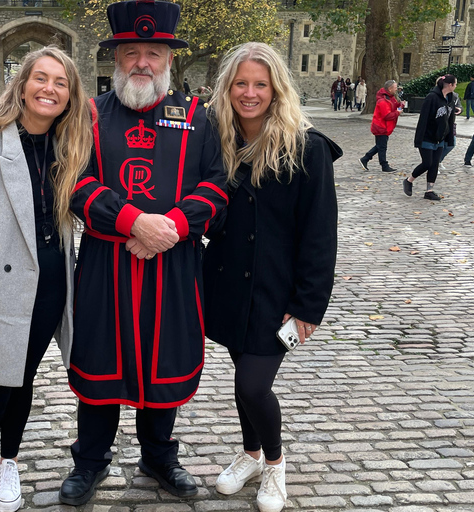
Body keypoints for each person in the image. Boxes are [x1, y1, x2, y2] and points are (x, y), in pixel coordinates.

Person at [58, 0, 228, 506]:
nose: (142, 63)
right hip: (106, 266)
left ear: (169, 60)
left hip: (172, 265)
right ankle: (89, 461)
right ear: (116, 58)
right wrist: (132, 220)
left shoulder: (200, 118)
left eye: (153, 53)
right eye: (132, 52)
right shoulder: (86, 114)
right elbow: (72, 181)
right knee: (99, 366)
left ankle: (158, 455)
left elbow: (218, 187)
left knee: (164, 363)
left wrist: (171, 225)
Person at [0, 46, 92, 512]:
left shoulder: (71, 146)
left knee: (21, 378)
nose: (49, 89)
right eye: (41, 79)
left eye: (60, 82)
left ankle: (9, 457)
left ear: (69, 96)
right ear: (22, 85)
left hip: (49, 285)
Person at [203, 41, 339, 512]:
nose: (250, 92)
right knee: (244, 375)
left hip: (277, 293)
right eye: (241, 83)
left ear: (276, 88)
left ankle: (275, 465)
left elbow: (320, 233)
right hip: (226, 286)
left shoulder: (307, 147)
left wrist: (308, 305)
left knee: (252, 386)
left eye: (260, 84)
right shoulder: (215, 139)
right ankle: (250, 455)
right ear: (227, 88)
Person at [403, 75, 457, 201]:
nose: (455, 86)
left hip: (440, 137)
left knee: (434, 165)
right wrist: (419, 139)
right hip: (427, 136)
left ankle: (429, 190)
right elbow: (423, 119)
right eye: (455, 84)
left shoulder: (451, 98)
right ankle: (409, 180)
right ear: (449, 85)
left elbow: (449, 119)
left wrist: (449, 137)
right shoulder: (431, 97)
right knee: (427, 163)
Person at [358, 80, 404, 173]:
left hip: (383, 127)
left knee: (380, 146)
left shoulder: (389, 98)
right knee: (382, 146)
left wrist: (400, 105)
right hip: (381, 127)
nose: (396, 89)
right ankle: (383, 165)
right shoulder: (383, 100)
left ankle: (365, 159)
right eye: (395, 88)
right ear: (390, 89)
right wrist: (397, 112)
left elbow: (393, 105)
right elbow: (387, 115)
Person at [438, 79, 462, 171]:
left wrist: (459, 110)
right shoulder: (437, 96)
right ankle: (434, 163)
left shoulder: (455, 96)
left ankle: (438, 160)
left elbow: (459, 106)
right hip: (441, 124)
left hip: (451, 123)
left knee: (451, 144)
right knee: (440, 145)